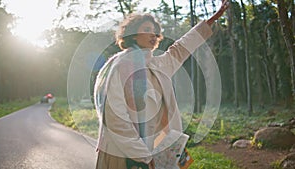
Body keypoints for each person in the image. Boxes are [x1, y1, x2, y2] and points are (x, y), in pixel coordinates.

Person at [94, 1, 229, 169]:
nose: (153, 35)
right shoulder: (120, 65)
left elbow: (180, 48)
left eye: (155, 32)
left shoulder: (156, 65)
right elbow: (114, 116)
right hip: (123, 153)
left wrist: (211, 20)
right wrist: (141, 154)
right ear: (133, 35)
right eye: (147, 30)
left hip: (154, 151)